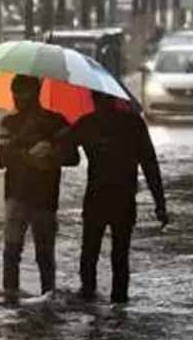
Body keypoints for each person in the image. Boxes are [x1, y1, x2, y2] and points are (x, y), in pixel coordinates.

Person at [65, 91, 168, 304]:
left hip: (104, 198)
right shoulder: (131, 124)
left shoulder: (90, 123)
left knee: (96, 252)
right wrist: (160, 204)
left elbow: (66, 151)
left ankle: (92, 298)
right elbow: (150, 164)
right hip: (117, 198)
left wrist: (160, 203)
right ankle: (115, 302)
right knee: (111, 254)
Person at [0, 74, 80, 305]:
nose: (17, 99)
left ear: (35, 94)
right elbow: (0, 158)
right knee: (12, 252)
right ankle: (11, 298)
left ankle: (47, 297)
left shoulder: (56, 122)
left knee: (44, 253)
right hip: (17, 196)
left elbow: (73, 157)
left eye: (21, 94)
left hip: (44, 197)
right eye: (14, 94)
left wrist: (51, 154)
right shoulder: (10, 123)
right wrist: (27, 155)